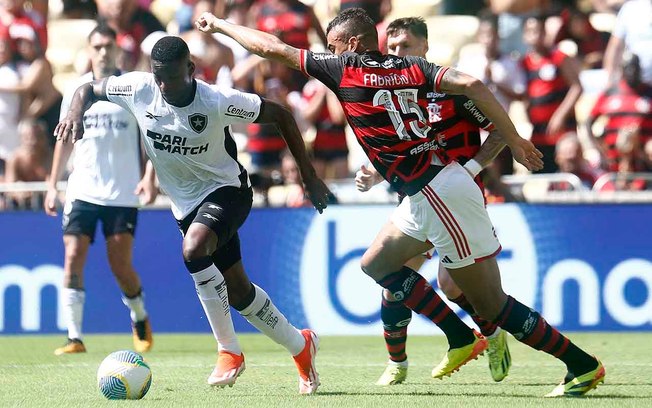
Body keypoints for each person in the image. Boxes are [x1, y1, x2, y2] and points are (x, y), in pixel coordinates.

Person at [196, 8, 605, 397]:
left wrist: (220, 24)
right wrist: (513, 139)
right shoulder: (414, 68)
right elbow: (475, 86)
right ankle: (461, 336)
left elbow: (271, 47)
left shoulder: (346, 68)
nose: (330, 53)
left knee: (491, 305)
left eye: (334, 45)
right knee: (376, 263)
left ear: (353, 43)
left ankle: (581, 364)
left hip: (440, 194)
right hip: (425, 192)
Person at [55, 35, 331, 394]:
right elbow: (88, 90)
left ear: (190, 69)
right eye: (158, 77)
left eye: (171, 77)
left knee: (193, 249)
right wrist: (76, 112)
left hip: (227, 191)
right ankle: (301, 345)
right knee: (239, 292)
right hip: (185, 205)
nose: (164, 86)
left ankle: (229, 351)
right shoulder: (139, 88)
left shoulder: (217, 101)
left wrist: (309, 177)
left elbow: (280, 114)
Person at [356, 16, 511, 386]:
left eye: (405, 46)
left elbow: (501, 130)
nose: (397, 53)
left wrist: (471, 168)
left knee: (453, 286)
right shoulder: (391, 94)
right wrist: (375, 172)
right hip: (416, 199)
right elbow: (402, 149)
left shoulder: (450, 88)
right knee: (393, 278)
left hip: (457, 199)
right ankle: (398, 363)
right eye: (391, 47)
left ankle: (491, 334)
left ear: (425, 48)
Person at [44, 24, 157, 356]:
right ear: (90, 51)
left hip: (122, 192)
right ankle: (74, 337)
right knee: (72, 257)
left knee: (120, 265)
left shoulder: (131, 88)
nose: (104, 52)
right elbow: (65, 139)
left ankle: (139, 316)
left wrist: (149, 177)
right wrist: (52, 185)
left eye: (109, 45)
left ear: (118, 49)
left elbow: (152, 138)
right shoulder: (76, 90)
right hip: (82, 189)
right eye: (97, 46)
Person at [521, 14, 582, 174]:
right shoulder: (524, 63)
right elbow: (525, 95)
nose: (535, 36)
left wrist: (559, 116)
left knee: (565, 172)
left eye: (539, 31)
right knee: (541, 173)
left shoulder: (558, 57)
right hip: (540, 133)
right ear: (524, 35)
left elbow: (576, 87)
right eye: (530, 32)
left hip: (561, 132)